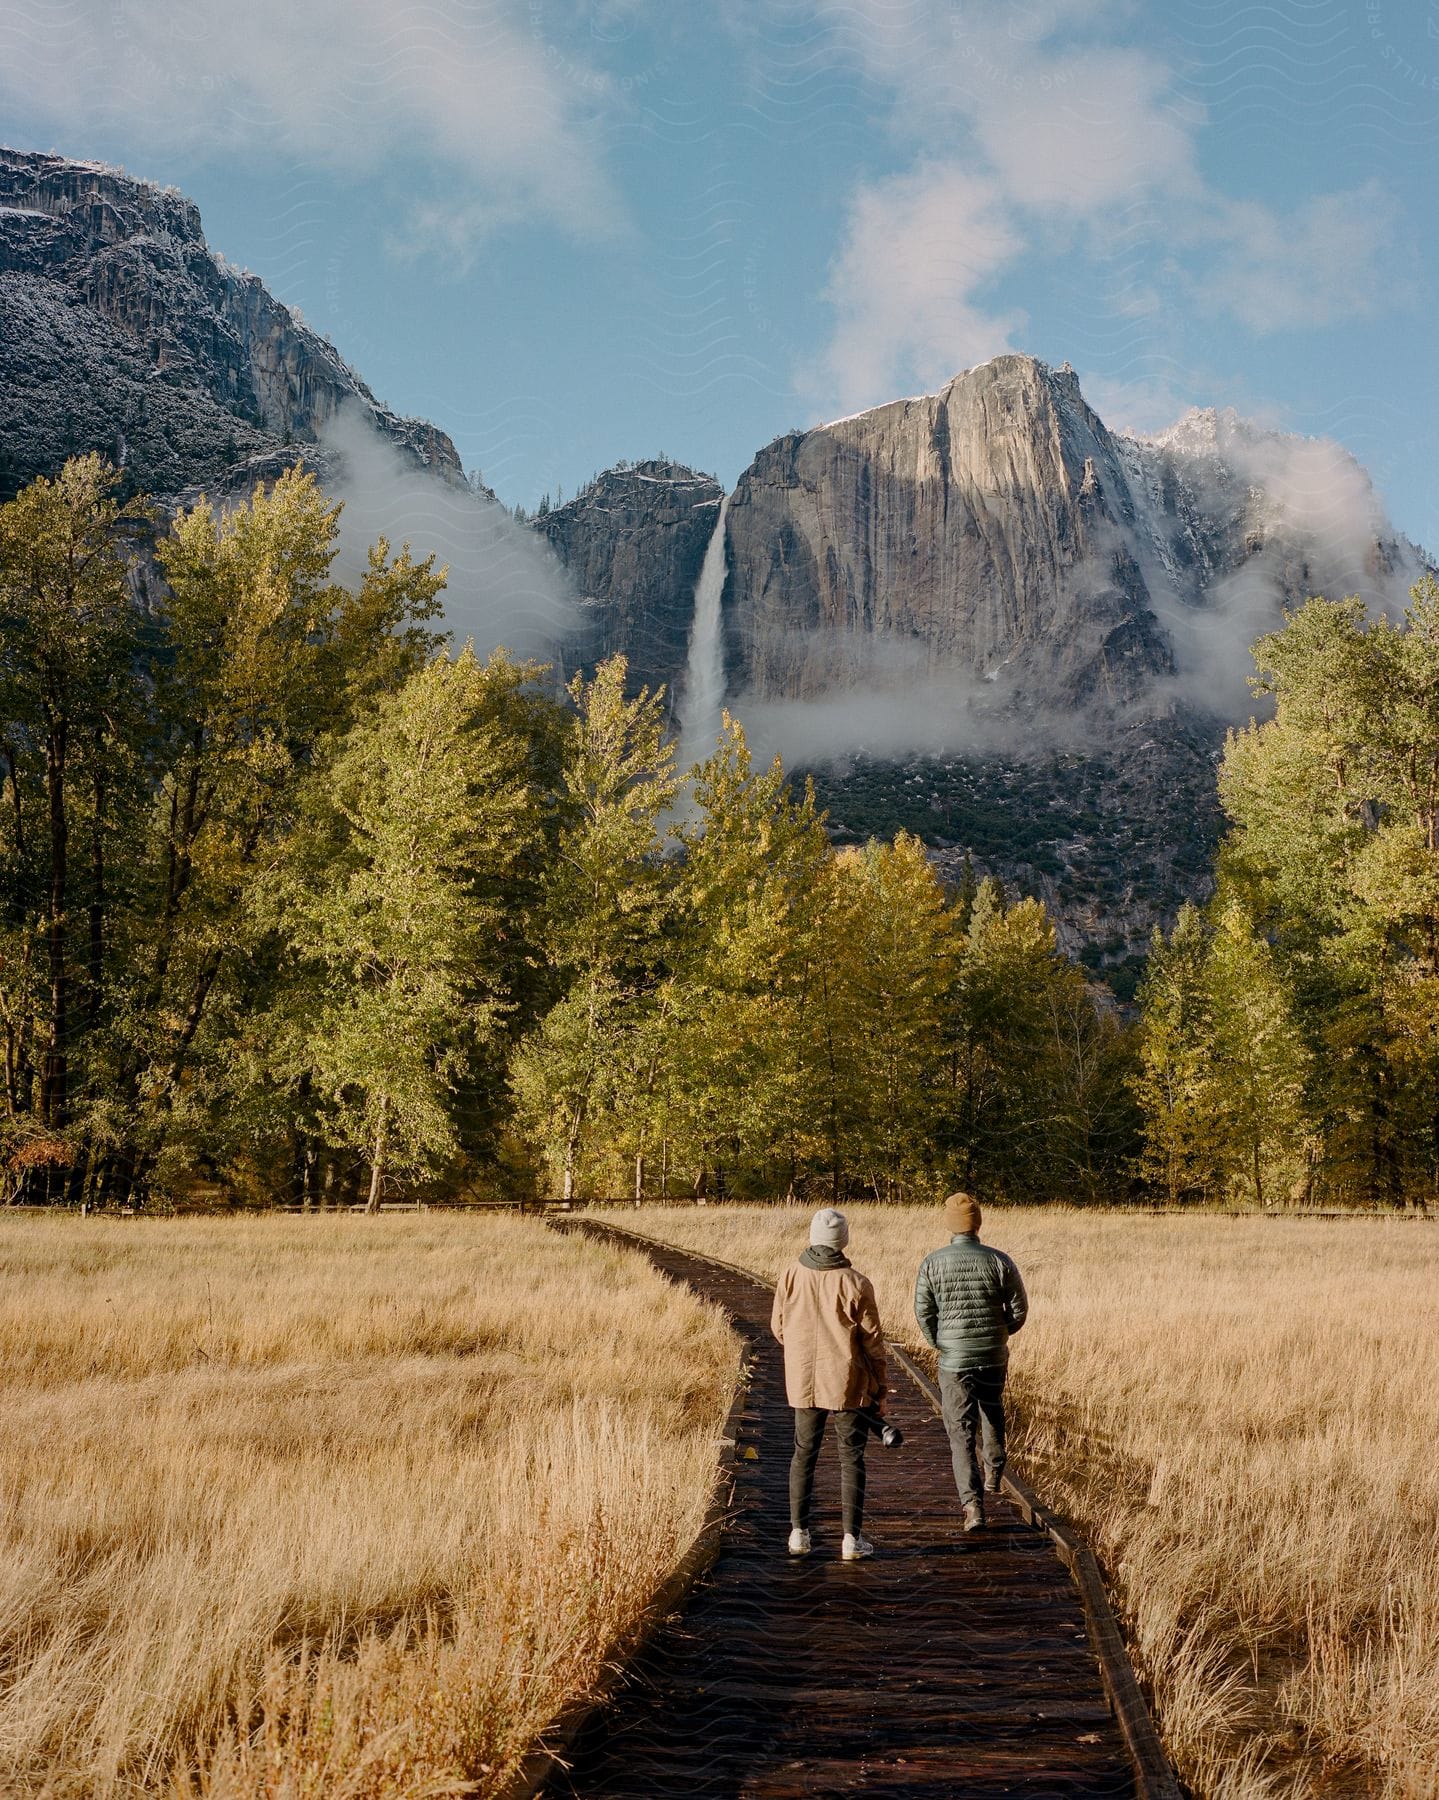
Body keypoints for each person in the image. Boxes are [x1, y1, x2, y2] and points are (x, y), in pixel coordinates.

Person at [770, 1206, 887, 1561]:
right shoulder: (856, 1282)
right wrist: (880, 1386)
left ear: (812, 1237)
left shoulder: (790, 1275)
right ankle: (851, 1539)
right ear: (843, 1241)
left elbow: (778, 1327)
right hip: (848, 1382)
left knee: (803, 1454)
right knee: (851, 1458)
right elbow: (873, 1342)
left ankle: (798, 1534)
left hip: (803, 1379)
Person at [914, 1191, 1028, 1533]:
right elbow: (1019, 1309)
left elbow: (924, 1311)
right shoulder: (1000, 1260)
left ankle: (973, 1507)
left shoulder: (933, 1263)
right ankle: (994, 1472)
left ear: (951, 1225)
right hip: (993, 1354)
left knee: (960, 1431)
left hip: (955, 1361)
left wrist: (941, 1342)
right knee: (992, 1408)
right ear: (977, 1224)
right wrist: (1000, 1334)